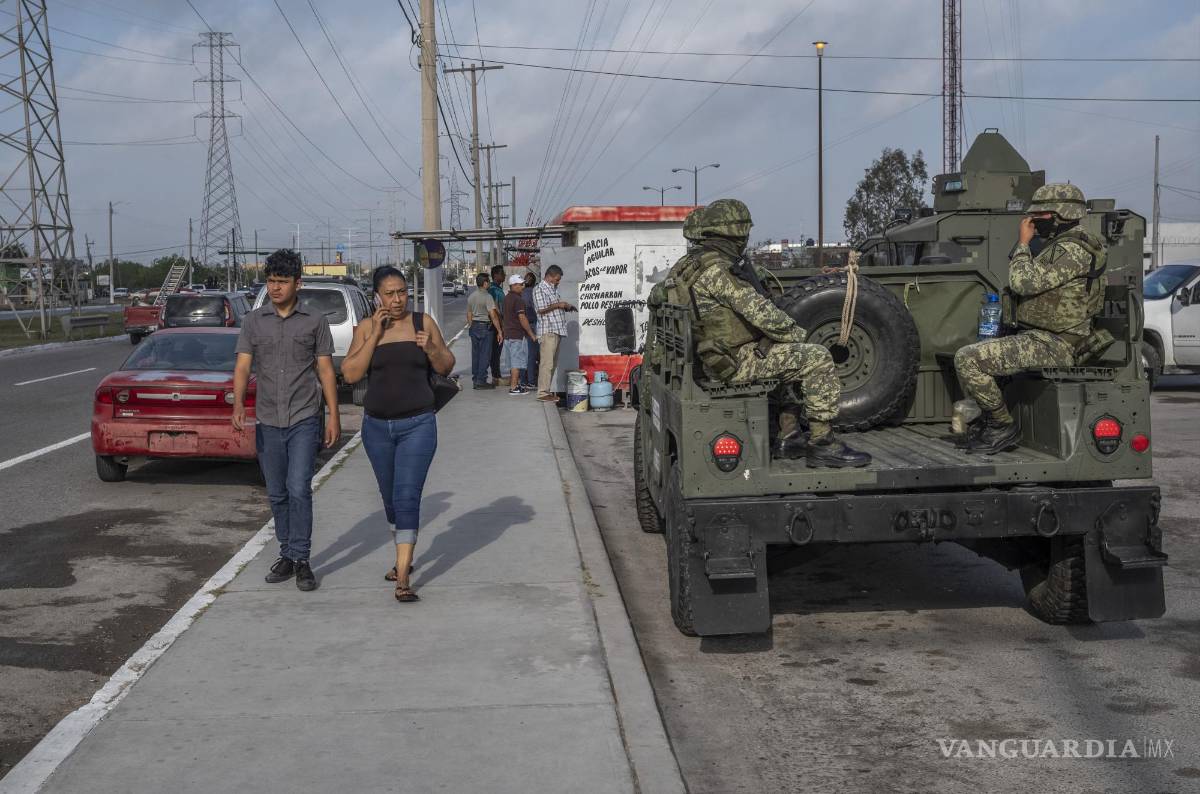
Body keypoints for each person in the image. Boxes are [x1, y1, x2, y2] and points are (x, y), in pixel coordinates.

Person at [672, 199, 870, 468]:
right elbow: (764, 316)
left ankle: (788, 436)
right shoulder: (718, 271)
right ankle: (823, 443)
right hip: (733, 361)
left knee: (784, 354)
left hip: (712, 356)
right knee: (817, 357)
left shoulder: (689, 266)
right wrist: (798, 335)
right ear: (735, 234)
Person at [954, 183, 1107, 454]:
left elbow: (1023, 283)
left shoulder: (1073, 249)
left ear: (1060, 214)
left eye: (1040, 216)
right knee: (977, 355)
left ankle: (1001, 426)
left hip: (1056, 344)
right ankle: (988, 421)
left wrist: (1023, 243)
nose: (1033, 221)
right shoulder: (1061, 244)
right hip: (1040, 337)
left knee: (968, 359)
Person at [342, 266, 455, 602]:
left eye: (402, 292)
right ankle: (401, 558)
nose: (397, 299)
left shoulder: (423, 323)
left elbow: (446, 365)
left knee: (407, 497)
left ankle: (403, 577)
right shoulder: (366, 327)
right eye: (389, 293)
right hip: (376, 427)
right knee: (390, 498)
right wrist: (374, 335)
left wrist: (431, 349)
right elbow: (350, 374)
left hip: (418, 424)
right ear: (377, 296)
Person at [232, 249, 340, 591]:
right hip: (267, 419)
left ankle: (303, 559)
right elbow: (243, 366)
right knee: (277, 492)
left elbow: (325, 370)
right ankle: (287, 554)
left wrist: (334, 415)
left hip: (304, 418)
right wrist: (237, 405)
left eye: (282, 281)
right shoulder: (254, 321)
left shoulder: (314, 321)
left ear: (298, 283)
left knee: (298, 488)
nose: (276, 288)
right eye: (271, 281)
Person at [533, 264, 575, 402]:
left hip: (556, 330)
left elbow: (554, 307)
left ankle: (546, 391)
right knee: (547, 363)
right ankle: (542, 392)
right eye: (557, 279)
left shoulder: (553, 290)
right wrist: (559, 305)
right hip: (548, 331)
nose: (558, 282)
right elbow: (541, 309)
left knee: (552, 363)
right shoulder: (540, 289)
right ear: (549, 276)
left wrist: (566, 306)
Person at [500, 273, 536, 395]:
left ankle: (514, 384)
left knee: (512, 362)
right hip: (517, 335)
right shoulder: (518, 300)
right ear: (513, 285)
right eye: (520, 285)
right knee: (517, 362)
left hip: (508, 335)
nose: (523, 287)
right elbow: (522, 318)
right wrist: (531, 333)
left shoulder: (506, 298)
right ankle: (514, 387)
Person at [466, 272, 502, 390]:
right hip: (485, 327)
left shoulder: (472, 296)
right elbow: (493, 315)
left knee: (475, 355)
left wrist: (472, 325)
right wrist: (499, 331)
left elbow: (469, 313)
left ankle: (476, 379)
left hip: (474, 326)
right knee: (485, 355)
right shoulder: (487, 297)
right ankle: (481, 380)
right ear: (485, 283)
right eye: (489, 282)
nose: (490, 284)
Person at [520, 271, 540, 389]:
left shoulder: (520, 293)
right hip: (532, 325)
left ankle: (522, 380)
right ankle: (531, 381)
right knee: (532, 355)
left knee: (523, 355)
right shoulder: (534, 293)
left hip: (521, 326)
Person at [488, 264, 506, 385]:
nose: (504, 275)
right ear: (496, 275)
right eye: (502, 273)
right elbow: (494, 310)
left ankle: (496, 374)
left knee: (497, 351)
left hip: (500, 324)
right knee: (495, 351)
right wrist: (501, 326)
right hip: (496, 325)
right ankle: (496, 375)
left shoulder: (498, 289)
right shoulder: (493, 290)